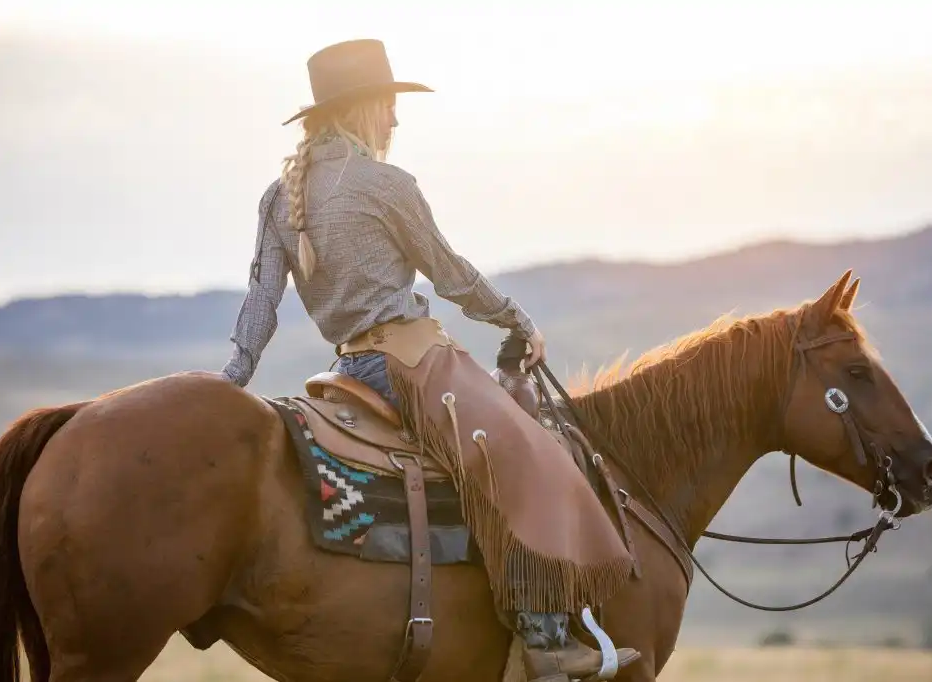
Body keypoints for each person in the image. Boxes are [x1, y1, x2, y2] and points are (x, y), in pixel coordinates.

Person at [219, 38, 639, 681]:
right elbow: (451, 275)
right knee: (531, 453)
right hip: (411, 365)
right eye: (389, 106)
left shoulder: (281, 197)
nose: (394, 120)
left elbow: (260, 305)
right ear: (365, 109)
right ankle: (547, 639)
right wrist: (515, 320)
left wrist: (231, 384)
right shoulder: (386, 185)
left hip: (344, 371)